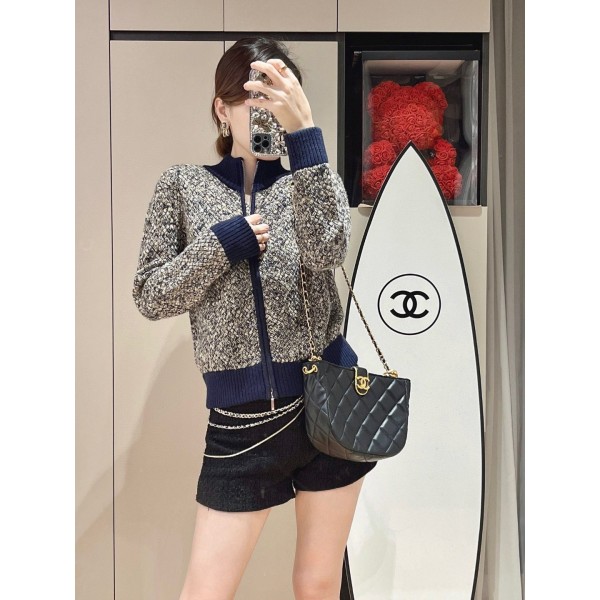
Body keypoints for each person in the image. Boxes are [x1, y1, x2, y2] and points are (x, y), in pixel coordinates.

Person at [132, 36, 377, 600]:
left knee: (317, 585)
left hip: (327, 406)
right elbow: (151, 294)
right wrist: (221, 245)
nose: (265, 112)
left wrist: (306, 135)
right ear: (222, 108)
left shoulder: (308, 180)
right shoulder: (182, 186)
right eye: (253, 98)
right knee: (206, 590)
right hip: (241, 423)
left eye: (279, 98)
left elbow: (328, 250)